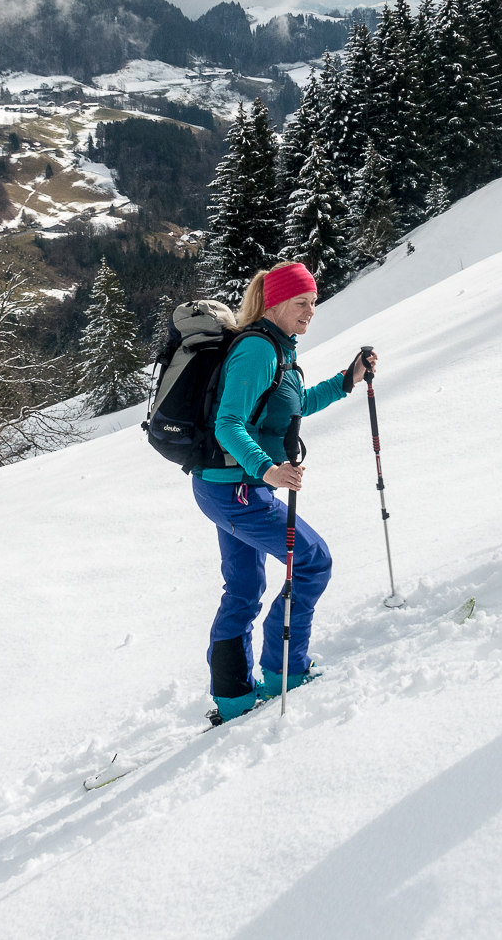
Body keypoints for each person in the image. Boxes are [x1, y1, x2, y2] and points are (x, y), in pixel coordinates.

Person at [194, 260, 375, 722]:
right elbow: (227, 423)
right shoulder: (258, 351)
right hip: (238, 488)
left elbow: (291, 410)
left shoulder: (279, 349)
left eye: (314, 302)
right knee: (313, 560)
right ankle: (282, 673)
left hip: (231, 487)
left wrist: (346, 380)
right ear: (274, 302)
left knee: (243, 587)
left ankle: (234, 698)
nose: (311, 311)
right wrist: (269, 470)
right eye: (302, 302)